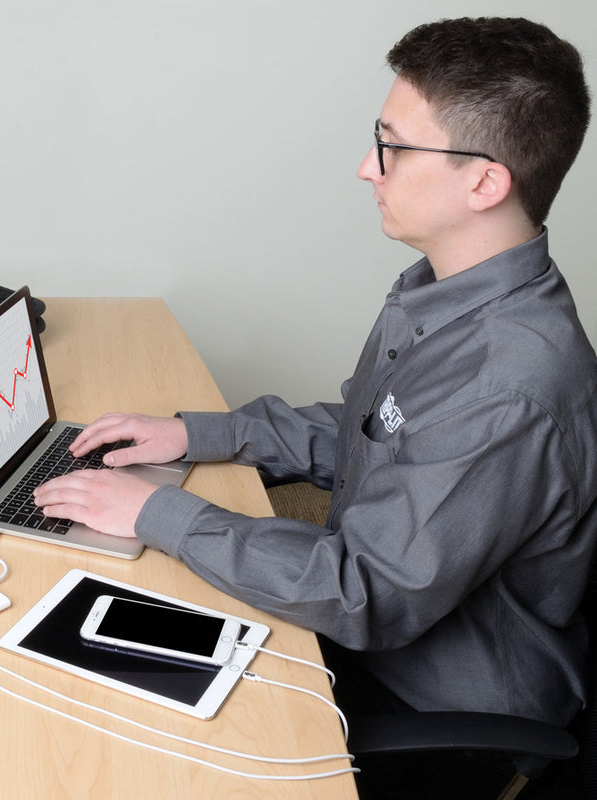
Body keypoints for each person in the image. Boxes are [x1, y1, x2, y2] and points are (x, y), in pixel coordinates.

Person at [35, 17, 597, 796]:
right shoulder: (446, 292)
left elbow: (365, 592)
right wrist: (196, 433)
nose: (367, 166)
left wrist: (154, 514)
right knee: (97, 638)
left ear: (484, 182)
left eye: (393, 146)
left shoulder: (509, 383)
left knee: (136, 748)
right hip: (370, 622)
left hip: (437, 705)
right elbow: (370, 437)